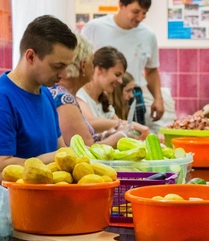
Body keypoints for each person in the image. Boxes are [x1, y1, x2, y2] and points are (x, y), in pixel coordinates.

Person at [0, 15, 77, 187]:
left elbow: (60, 149)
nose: (64, 75)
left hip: (34, 197)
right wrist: (51, 159)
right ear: (31, 56)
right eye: (57, 66)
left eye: (66, 67)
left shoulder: (46, 94)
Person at [81, 0, 165, 129]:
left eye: (144, 13)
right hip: (104, 92)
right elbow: (81, 61)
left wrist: (158, 99)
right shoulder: (95, 27)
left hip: (133, 92)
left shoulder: (148, 35)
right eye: (136, 12)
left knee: (134, 134)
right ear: (121, 5)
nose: (140, 17)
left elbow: (151, 71)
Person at [49, 35, 135, 148]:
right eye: (93, 63)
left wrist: (106, 135)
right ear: (83, 65)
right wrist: (121, 135)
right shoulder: (64, 100)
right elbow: (88, 151)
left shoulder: (61, 94)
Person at [76, 46, 149, 140]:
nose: (120, 81)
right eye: (117, 75)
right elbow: (90, 122)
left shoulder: (103, 100)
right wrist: (132, 125)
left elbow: (119, 125)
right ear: (99, 70)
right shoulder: (79, 95)